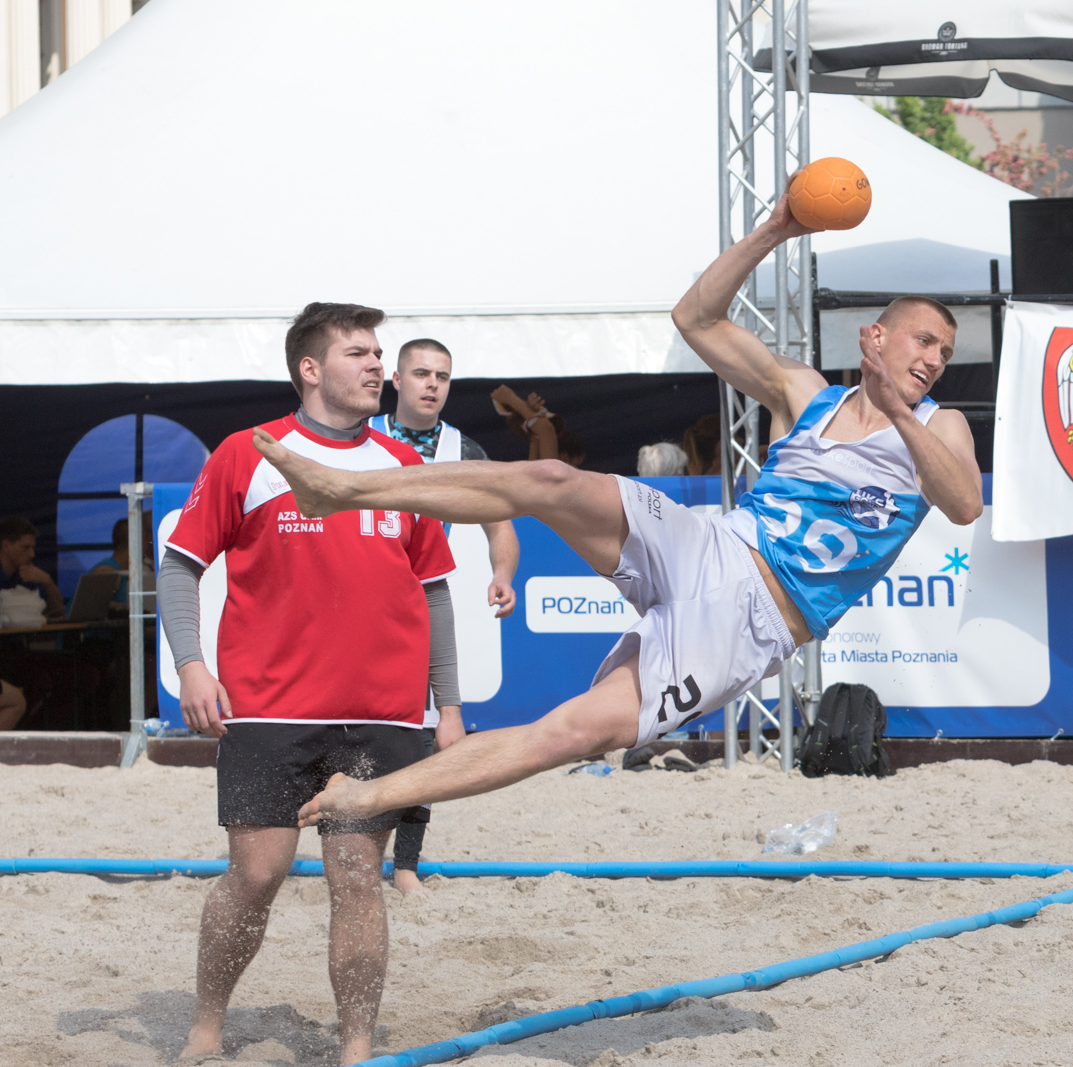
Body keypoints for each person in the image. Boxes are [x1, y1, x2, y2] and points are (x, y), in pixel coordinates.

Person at [253, 190, 983, 832]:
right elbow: (694, 317)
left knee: (567, 732)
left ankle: (363, 796)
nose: (934, 359)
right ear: (876, 336)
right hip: (713, 545)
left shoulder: (937, 426)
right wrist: (777, 228)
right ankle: (338, 489)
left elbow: (962, 504)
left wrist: (901, 414)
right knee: (549, 477)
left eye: (945, 352)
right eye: (924, 340)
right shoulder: (807, 392)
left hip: (754, 621)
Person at [157, 302, 460, 1065]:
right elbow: (180, 563)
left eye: (379, 353)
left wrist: (448, 703)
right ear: (311, 368)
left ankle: (356, 1046)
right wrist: (192, 662)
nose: (377, 367)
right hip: (268, 708)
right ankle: (206, 1023)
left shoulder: (404, 466)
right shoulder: (247, 453)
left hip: (383, 715)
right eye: (360, 352)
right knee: (255, 874)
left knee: (358, 876)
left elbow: (434, 589)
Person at [370, 337, 520, 895]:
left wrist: (502, 573)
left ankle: (405, 865)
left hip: (421, 604)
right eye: (421, 374)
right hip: (357, 605)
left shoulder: (466, 451)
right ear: (397, 381)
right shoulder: (362, 440)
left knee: (430, 736)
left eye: (442, 376)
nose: (432, 384)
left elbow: (500, 525)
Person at [491, 386, 586, 466]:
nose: (577, 472)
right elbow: (542, 431)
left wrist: (512, 399)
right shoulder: (546, 472)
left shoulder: (545, 474)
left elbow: (544, 430)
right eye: (576, 466)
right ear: (565, 459)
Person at [0, 516, 66, 620]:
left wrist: (48, 582)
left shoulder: (26, 573)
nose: (32, 554)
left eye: (32, 548)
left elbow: (58, 614)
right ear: (6, 546)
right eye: (26, 547)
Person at [87, 514, 157, 611]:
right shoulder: (106, 571)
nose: (148, 543)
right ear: (137, 542)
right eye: (146, 539)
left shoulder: (128, 570)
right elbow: (92, 607)